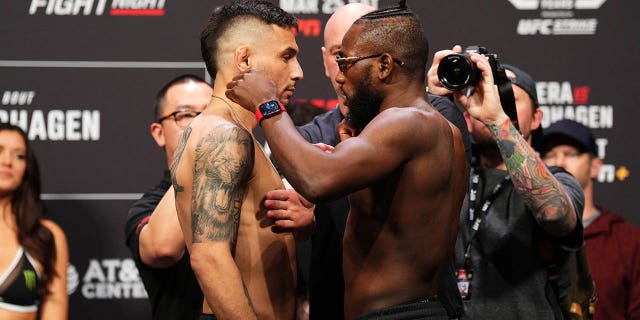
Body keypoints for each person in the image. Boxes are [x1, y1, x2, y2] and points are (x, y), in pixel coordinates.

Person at [227, 3, 468, 319]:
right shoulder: (441, 129)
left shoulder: (406, 121)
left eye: (348, 61)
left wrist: (267, 104)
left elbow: (316, 180)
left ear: (384, 65)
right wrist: (336, 162)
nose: (340, 75)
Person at [170, 1, 304, 318]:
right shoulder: (223, 135)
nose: (298, 72)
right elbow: (209, 257)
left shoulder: (229, 131)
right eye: (287, 56)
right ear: (243, 59)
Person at [428, 49, 585, 318]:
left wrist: (497, 120)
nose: (495, 102)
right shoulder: (448, 177)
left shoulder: (558, 178)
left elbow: (556, 214)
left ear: (537, 118)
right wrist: (428, 103)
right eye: (485, 94)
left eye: (509, 97)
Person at [124, 74, 212, 319]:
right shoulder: (148, 207)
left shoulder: (251, 190)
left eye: (210, 112)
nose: (202, 123)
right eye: (185, 115)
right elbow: (162, 248)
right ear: (158, 132)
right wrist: (197, 159)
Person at [540, 119, 640, 319]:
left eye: (570, 154)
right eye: (550, 155)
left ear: (595, 167)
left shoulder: (628, 241)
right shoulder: (527, 236)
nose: (559, 162)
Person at [0, 123, 69, 320]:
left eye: (18, 155)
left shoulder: (46, 235)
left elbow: (54, 312)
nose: (7, 161)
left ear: (26, 167)